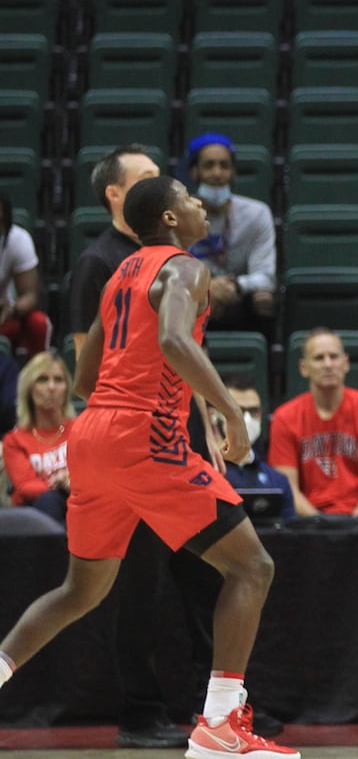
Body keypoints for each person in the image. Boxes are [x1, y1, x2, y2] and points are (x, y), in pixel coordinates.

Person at [0, 176, 297, 758]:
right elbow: (175, 342)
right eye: (188, 197)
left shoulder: (121, 276)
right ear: (167, 217)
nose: (200, 205)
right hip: (146, 436)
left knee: (78, 591)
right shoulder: (185, 267)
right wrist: (228, 409)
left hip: (92, 438)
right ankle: (219, 726)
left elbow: (83, 378)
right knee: (252, 568)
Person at [67, 142, 222, 750]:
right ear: (121, 196)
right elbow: (90, 369)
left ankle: (221, 708)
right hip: (133, 436)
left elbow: (178, 363)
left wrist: (204, 424)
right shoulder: (101, 264)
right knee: (136, 585)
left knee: (210, 574)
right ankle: (140, 709)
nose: (169, 188)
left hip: (168, 431)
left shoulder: (161, 262)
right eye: (154, 180)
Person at [268, 329, 358, 545]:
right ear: (304, 368)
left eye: (334, 357)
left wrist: (354, 523)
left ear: (346, 363)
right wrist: (319, 524)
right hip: (309, 517)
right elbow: (287, 487)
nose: (328, 364)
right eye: (319, 358)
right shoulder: (284, 418)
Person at [186, 133, 277, 335]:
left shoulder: (256, 213)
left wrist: (235, 285)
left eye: (224, 165)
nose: (217, 173)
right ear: (194, 171)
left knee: (264, 298)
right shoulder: (179, 214)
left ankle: (264, 362)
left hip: (238, 296)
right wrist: (207, 287)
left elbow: (266, 277)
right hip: (191, 296)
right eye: (208, 165)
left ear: (233, 172)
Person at [2, 352, 77, 523]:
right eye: (42, 379)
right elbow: (25, 486)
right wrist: (61, 483)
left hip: (80, 506)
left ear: (66, 388)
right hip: (38, 515)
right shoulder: (15, 440)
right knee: (49, 500)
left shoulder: (80, 428)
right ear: (29, 388)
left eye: (58, 380)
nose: (51, 387)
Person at [217, 375, 294, 521]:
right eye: (237, 411)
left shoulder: (278, 481)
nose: (246, 419)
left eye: (253, 412)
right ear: (215, 415)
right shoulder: (204, 471)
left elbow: (291, 536)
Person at [0, 192, 49, 360]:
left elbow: (30, 294)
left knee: (38, 323)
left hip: (4, 313)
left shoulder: (17, 239)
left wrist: (12, 310)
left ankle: (38, 378)